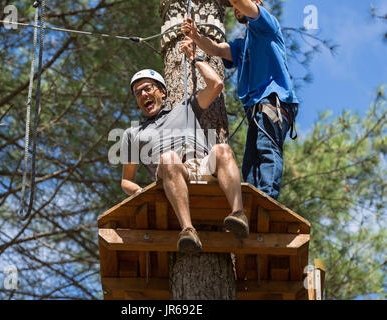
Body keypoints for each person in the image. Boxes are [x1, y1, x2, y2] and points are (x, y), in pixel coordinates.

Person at [120, 36, 249, 254]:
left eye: (148, 88)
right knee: (169, 158)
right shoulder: (133, 133)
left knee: (223, 149)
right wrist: (142, 192)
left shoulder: (186, 108)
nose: (143, 94)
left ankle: (238, 214)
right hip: (171, 175)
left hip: (201, 165)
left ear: (162, 91)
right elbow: (126, 181)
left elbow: (216, 84)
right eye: (138, 92)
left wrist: (194, 57)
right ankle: (188, 230)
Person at [181, 0, 299, 200]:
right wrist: (196, 36)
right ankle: (254, 202)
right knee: (250, 165)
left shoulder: (267, 24)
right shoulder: (243, 44)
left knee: (267, 150)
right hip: (256, 108)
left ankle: (267, 201)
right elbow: (218, 49)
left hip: (272, 101)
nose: (235, 7)